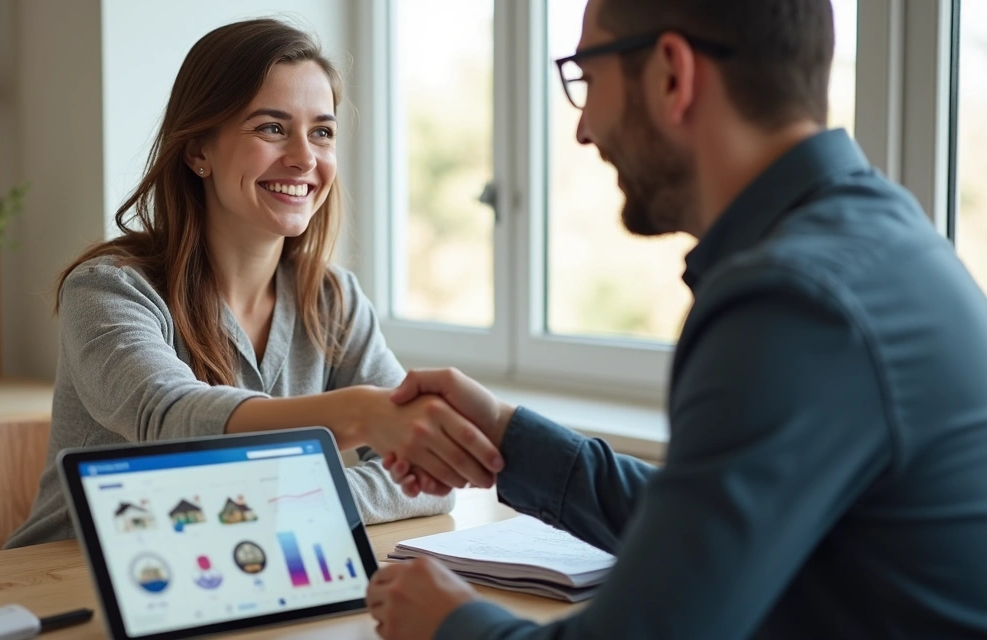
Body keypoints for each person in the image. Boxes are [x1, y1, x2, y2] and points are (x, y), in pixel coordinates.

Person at [366, 0, 987, 638]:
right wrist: (505, 437)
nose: (583, 129)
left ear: (671, 74)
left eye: (588, 77)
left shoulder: (793, 303)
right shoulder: (878, 240)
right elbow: (701, 535)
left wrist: (453, 623)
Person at [6, 19, 504, 549]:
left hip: (230, 569)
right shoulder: (107, 291)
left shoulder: (332, 301)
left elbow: (426, 481)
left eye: (322, 132)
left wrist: (284, 500)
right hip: (71, 575)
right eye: (271, 128)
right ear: (198, 151)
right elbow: (169, 419)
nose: (305, 158)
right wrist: (359, 415)